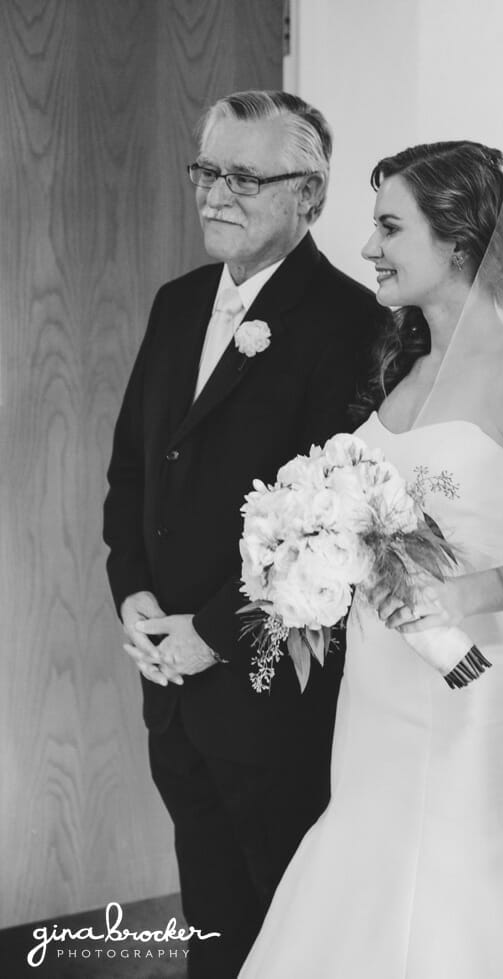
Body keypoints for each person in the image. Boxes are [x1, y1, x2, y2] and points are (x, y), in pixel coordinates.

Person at [240, 143, 503, 977]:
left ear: (458, 243)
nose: (368, 247)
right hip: (378, 690)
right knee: (364, 875)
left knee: (452, 901)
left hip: (464, 691)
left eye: (390, 226)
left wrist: (464, 592)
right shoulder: (406, 367)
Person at [101, 90, 384, 977]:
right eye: (207, 170)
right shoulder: (176, 303)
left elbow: (335, 529)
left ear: (310, 195)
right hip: (170, 688)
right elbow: (132, 473)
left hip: (271, 707)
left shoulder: (353, 326)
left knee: (287, 931)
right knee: (213, 927)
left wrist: (210, 637)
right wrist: (134, 596)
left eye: (245, 176)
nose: (215, 193)